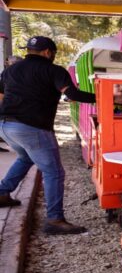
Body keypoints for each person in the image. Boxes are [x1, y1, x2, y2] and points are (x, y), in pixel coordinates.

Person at [0, 36, 96, 234]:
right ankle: (54, 219)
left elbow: (2, 97)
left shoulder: (9, 70)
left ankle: (2, 193)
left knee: (25, 157)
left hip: (5, 125)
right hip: (32, 128)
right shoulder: (53, 70)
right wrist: (105, 97)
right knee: (54, 172)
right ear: (47, 52)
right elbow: (73, 94)